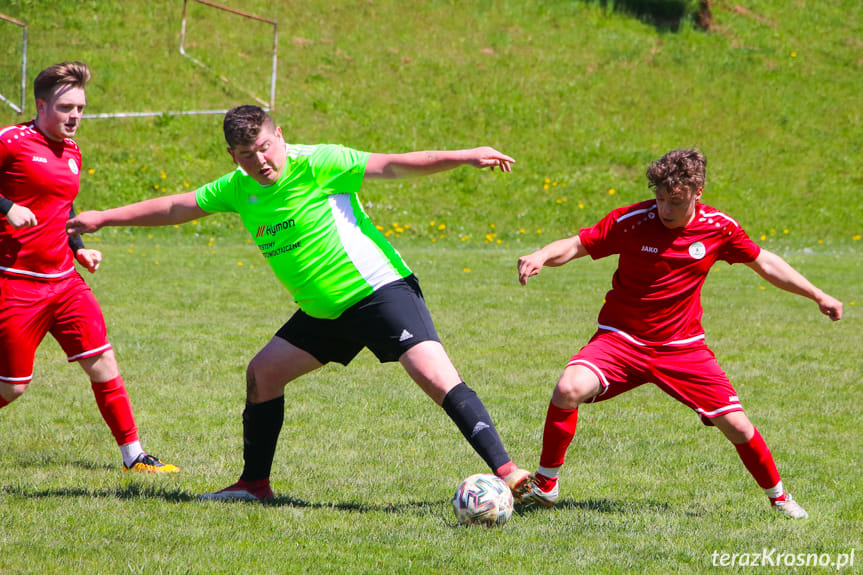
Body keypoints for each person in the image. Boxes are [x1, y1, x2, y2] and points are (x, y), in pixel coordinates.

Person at [67, 105, 532, 501]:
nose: (261, 161)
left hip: (378, 292)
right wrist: (105, 217)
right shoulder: (237, 186)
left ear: (280, 135)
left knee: (435, 377)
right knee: (263, 373)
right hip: (323, 312)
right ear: (233, 156)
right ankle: (254, 484)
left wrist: (466, 156)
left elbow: (392, 165)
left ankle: (509, 473)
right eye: (247, 155)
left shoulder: (319, 162)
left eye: (266, 147)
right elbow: (177, 207)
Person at [516, 149, 842, 518]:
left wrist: (816, 293)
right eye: (660, 199)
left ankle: (780, 499)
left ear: (697, 191)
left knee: (736, 424)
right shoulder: (633, 220)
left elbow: (764, 261)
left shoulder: (719, 228)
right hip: (619, 340)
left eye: (676, 201)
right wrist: (542, 254)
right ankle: (545, 485)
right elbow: (578, 244)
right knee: (567, 388)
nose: (666, 210)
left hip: (681, 348)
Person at [0, 61, 178, 473]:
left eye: (80, 107)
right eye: (66, 107)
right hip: (16, 283)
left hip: (64, 282)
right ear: (41, 105)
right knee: (12, 386)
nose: (75, 116)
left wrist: (78, 247)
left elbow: (62, 205)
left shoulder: (72, 150)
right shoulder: (12, 140)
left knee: (103, 362)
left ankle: (135, 457)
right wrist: (8, 207)